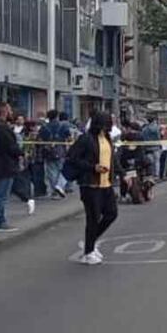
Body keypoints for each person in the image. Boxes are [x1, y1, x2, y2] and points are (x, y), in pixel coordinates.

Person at [65, 111, 118, 265]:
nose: (112, 123)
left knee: (111, 214)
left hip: (106, 183)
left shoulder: (107, 138)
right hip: (90, 184)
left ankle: (90, 241)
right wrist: (92, 167)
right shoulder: (86, 139)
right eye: (110, 121)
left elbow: (112, 159)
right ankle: (88, 252)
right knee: (93, 218)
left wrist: (123, 174)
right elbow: (73, 158)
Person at [0, 102, 23, 232]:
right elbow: (10, 147)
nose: (11, 112)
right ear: (4, 111)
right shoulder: (1, 128)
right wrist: (20, 152)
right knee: (0, 195)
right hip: (3, 165)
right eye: (10, 109)